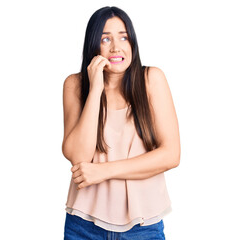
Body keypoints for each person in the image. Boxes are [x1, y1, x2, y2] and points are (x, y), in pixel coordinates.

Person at [61, 6, 180, 240]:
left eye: (123, 37)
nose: (116, 47)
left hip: (143, 227)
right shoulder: (75, 85)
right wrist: (95, 88)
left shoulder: (151, 80)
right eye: (106, 39)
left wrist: (103, 171)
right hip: (83, 226)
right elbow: (78, 157)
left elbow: (171, 155)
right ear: (93, 45)